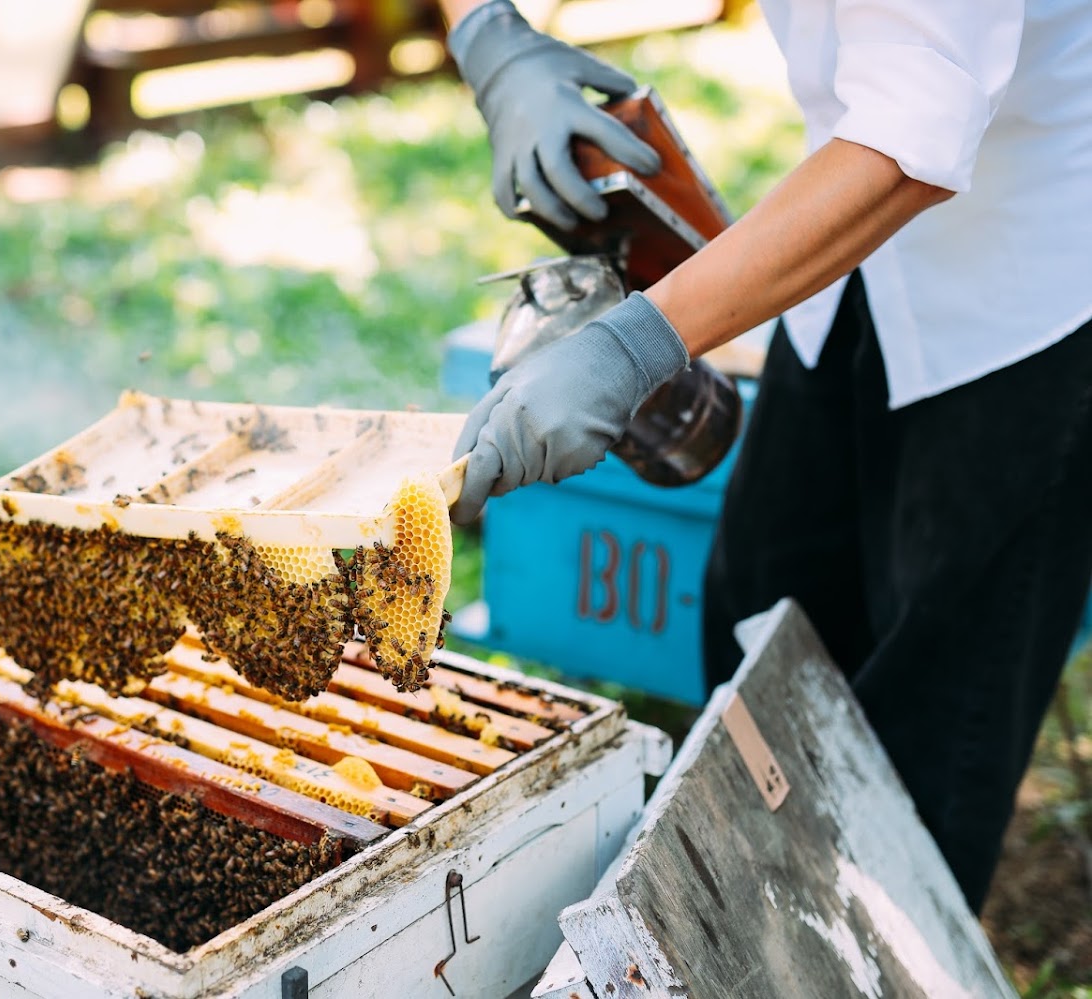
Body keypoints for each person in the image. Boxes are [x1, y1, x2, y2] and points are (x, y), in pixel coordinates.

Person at [441, 0, 1092, 913]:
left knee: (936, 725)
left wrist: (631, 347)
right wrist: (490, 37)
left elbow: (916, 126)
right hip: (843, 269)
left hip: (1024, 278)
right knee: (757, 619)